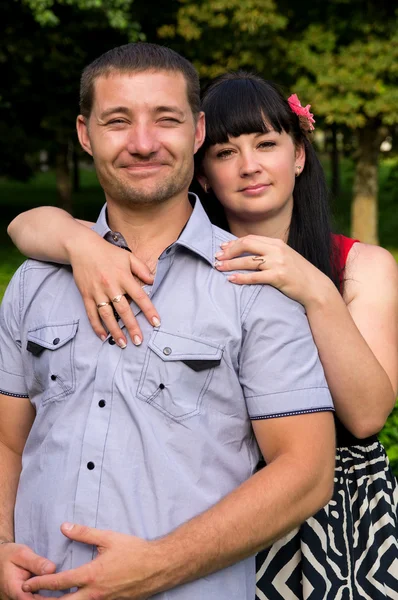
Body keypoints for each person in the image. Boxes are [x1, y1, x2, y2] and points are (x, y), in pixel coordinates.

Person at [9, 70, 398, 599]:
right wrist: (80, 245)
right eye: (226, 152)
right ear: (202, 170)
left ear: (300, 155)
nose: (250, 166)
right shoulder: (191, 263)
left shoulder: (350, 267)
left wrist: (314, 288)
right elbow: (26, 226)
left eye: (267, 144)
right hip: (223, 512)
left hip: (328, 511)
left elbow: (367, 415)